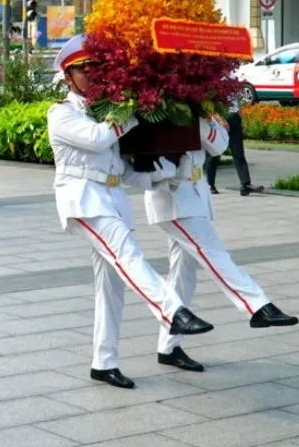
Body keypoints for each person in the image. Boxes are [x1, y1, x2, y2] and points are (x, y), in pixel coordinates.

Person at [47, 35, 213, 389]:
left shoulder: (105, 112)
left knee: (110, 286)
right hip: (83, 200)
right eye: (83, 70)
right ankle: (172, 311)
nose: (91, 75)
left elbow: (122, 171)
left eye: (96, 69)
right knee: (127, 254)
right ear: (68, 76)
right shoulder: (61, 113)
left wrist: (164, 174)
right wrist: (133, 111)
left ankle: (103, 362)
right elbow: (96, 139)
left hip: (111, 199)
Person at [146, 114, 298, 372]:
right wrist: (206, 124)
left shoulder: (200, 113)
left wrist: (206, 121)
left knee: (183, 275)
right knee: (214, 253)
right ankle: (257, 306)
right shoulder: (163, 110)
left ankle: (168, 347)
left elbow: (219, 145)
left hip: (195, 193)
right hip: (173, 199)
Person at [206, 95, 264, 196]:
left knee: (238, 152)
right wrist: (219, 119)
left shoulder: (234, 79)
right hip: (220, 119)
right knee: (215, 151)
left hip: (234, 117)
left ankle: (245, 185)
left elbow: (236, 100)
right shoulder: (216, 80)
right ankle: (210, 185)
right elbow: (209, 103)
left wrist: (239, 117)